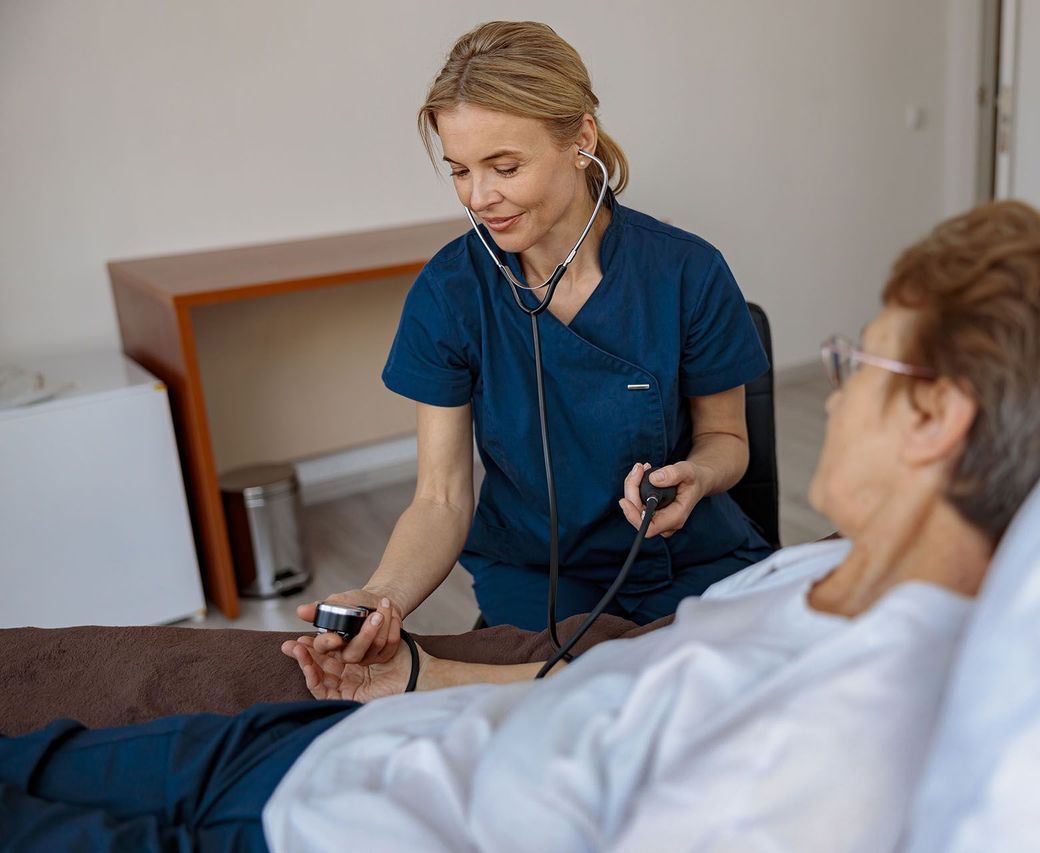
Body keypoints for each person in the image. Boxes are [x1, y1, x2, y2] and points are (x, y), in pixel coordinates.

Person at [0, 201, 1040, 851]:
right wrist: (415, 672)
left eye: (857, 360)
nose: (832, 388)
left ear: (936, 414)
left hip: (312, 822)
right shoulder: (810, 580)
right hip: (347, 751)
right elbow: (606, 697)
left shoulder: (833, 740)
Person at [304, 20, 775, 663]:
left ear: (581, 139)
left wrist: (697, 473)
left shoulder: (687, 272)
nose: (479, 198)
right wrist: (381, 596)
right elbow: (440, 497)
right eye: (460, 171)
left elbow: (728, 440)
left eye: (504, 167)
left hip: (687, 562)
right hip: (540, 579)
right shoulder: (449, 294)